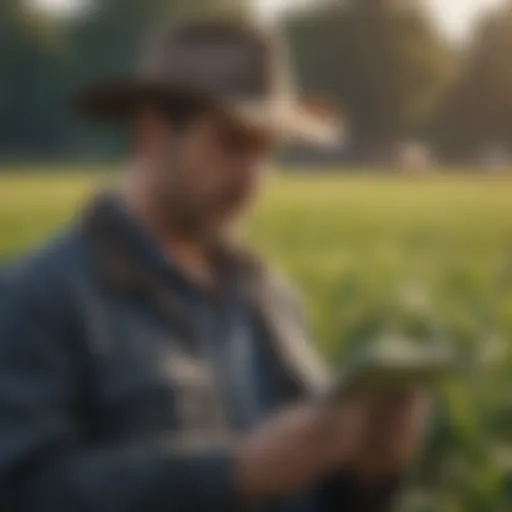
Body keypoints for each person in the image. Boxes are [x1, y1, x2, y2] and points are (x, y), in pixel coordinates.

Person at [0, 18, 429, 511]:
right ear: (151, 133)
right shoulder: (38, 297)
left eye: (265, 149)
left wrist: (368, 475)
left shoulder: (270, 297)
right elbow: (23, 492)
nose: (252, 177)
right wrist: (233, 473)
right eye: (232, 143)